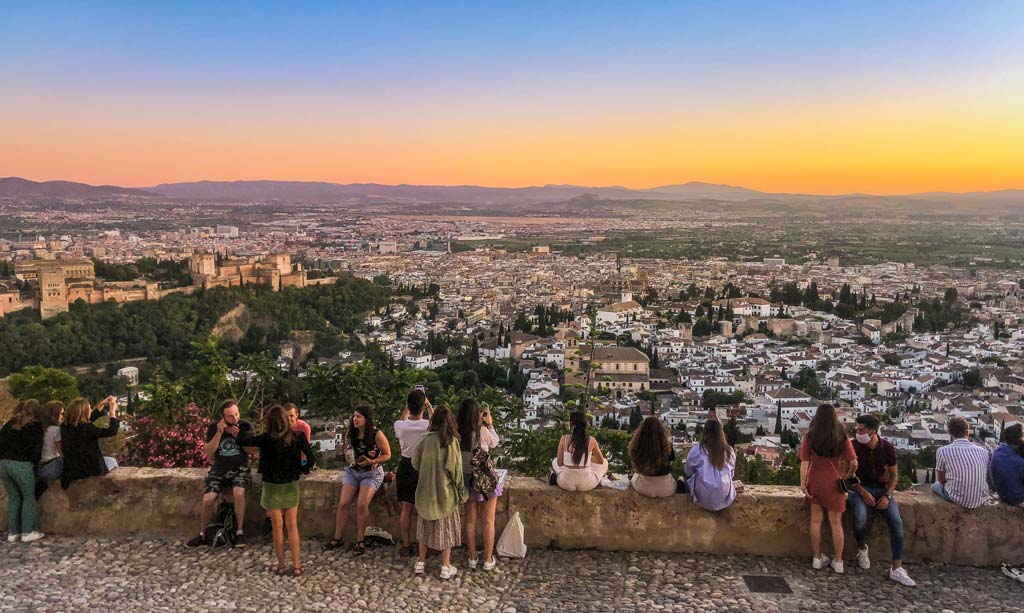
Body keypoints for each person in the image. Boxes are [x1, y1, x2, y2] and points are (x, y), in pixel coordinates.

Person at [240, 404, 316, 576]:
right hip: (290, 484)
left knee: (277, 527)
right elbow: (311, 459)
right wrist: (301, 469)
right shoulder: (299, 436)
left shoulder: (265, 439)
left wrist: (239, 426)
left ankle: (281, 565)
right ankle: (297, 566)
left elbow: (243, 441)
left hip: (271, 486)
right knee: (292, 526)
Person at [848, 414, 915, 586]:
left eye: (861, 429)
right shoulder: (853, 446)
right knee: (859, 518)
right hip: (859, 488)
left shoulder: (887, 448)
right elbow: (848, 475)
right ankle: (862, 548)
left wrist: (887, 496)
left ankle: (896, 568)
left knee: (896, 523)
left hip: (881, 489)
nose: (857, 432)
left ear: (872, 431)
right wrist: (862, 492)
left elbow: (894, 475)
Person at [324, 405, 392, 555]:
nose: (355, 419)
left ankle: (360, 540)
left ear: (366, 419)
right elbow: (346, 450)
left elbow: (388, 454)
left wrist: (373, 461)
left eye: (359, 416)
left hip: (371, 473)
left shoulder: (376, 434)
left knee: (362, 505)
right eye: (354, 416)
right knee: (343, 503)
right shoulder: (350, 433)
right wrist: (349, 456)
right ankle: (337, 537)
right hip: (353, 471)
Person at [187, 399, 255, 548]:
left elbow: (253, 452)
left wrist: (240, 437)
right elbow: (208, 454)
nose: (235, 418)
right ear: (223, 417)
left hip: (240, 467)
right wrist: (219, 433)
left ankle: (239, 532)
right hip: (220, 468)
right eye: (230, 416)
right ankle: (203, 533)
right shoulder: (213, 428)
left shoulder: (245, 426)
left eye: (236, 414)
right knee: (208, 500)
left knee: (238, 493)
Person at [798, 404, 857, 574]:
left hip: (816, 481)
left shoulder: (810, 436)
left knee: (815, 521)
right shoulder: (841, 437)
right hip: (835, 483)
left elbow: (805, 461)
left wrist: (803, 483)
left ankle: (817, 558)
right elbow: (853, 462)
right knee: (836, 522)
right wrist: (847, 475)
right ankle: (838, 561)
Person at [413, 405, 468, 579]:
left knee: (424, 530)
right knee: (446, 530)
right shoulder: (451, 442)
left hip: (425, 491)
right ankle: (445, 566)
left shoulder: (425, 440)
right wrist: (461, 492)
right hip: (445, 493)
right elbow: (456, 472)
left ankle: (420, 562)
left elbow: (415, 463)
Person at [457, 398, 501, 570]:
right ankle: (488, 559)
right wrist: (490, 424)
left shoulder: (457, 433)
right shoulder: (481, 430)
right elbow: (495, 442)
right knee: (488, 521)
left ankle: (472, 556)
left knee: (470, 520)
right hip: (484, 479)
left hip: (466, 478)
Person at [394, 389, 433, 556]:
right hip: (422, 466)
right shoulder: (426, 426)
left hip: (405, 465)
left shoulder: (400, 426)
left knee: (406, 509)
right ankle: (426, 545)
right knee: (424, 509)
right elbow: (437, 421)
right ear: (422, 407)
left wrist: (406, 408)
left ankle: (405, 543)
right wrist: (429, 406)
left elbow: (402, 420)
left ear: (409, 406)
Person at [1, 400, 44, 543]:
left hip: (3, 464)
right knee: (28, 497)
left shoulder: (10, 423)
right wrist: (34, 463)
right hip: (21, 464)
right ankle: (27, 532)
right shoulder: (35, 426)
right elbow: (36, 449)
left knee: (14, 497)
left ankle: (13, 533)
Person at [60, 396, 120, 490]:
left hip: (72, 469)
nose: (91, 410)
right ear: (84, 412)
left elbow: (88, 419)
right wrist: (112, 412)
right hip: (89, 470)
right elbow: (112, 431)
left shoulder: (65, 426)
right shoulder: (86, 429)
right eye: (89, 409)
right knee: (112, 461)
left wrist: (101, 405)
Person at [932, 416, 990, 509]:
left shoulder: (942, 451)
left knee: (935, 486)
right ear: (967, 432)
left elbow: (941, 481)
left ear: (950, 433)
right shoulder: (983, 451)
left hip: (957, 499)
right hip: (981, 499)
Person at [684, 418, 737, 510]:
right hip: (724, 496)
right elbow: (731, 474)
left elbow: (688, 471)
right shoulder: (729, 451)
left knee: (685, 481)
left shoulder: (698, 450)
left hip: (703, 497)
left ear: (705, 432)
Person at [552, 411, 608, 492]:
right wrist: (587, 457)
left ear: (571, 423)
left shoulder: (564, 439)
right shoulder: (591, 440)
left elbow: (560, 463)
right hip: (586, 484)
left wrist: (571, 458)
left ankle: (557, 474)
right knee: (605, 462)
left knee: (554, 461)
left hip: (565, 483)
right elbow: (601, 461)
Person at [629, 416, 677, 498]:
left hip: (643, 488)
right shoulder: (667, 446)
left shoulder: (637, 447)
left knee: (634, 477)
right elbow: (671, 462)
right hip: (666, 489)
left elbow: (635, 464)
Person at [991, 424, 1024, 507]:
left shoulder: (998, 450)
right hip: (1017, 499)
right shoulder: (1018, 462)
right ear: (1019, 439)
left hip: (1001, 494)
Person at [35, 401, 65, 494]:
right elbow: (62, 452)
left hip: (40, 467)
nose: (63, 416)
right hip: (52, 467)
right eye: (62, 413)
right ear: (55, 415)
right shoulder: (56, 430)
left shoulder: (39, 429)